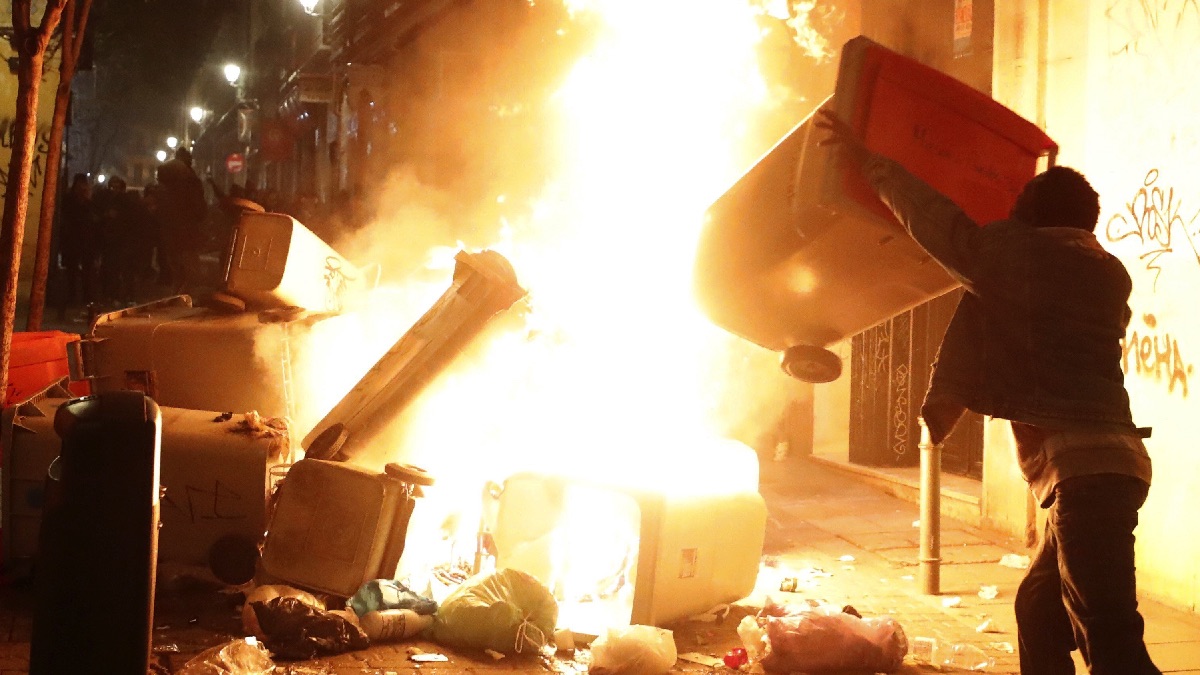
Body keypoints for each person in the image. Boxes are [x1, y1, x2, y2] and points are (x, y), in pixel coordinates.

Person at [818, 110, 1159, 675]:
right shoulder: (1107, 272)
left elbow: (935, 220)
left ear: (1028, 216)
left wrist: (867, 159)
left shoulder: (1014, 260)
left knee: (1112, 637)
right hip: (1116, 464)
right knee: (1038, 610)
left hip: (1083, 474)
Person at [156, 147, 208, 293]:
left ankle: (176, 297)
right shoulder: (190, 180)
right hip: (187, 231)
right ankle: (187, 299)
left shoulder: (163, 181)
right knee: (190, 271)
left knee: (176, 269)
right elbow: (199, 208)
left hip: (168, 231)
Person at [56, 173, 99, 321]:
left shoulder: (88, 203)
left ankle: (87, 308)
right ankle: (66, 306)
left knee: (87, 278)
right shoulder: (70, 201)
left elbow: (94, 223)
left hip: (85, 244)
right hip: (73, 243)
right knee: (71, 277)